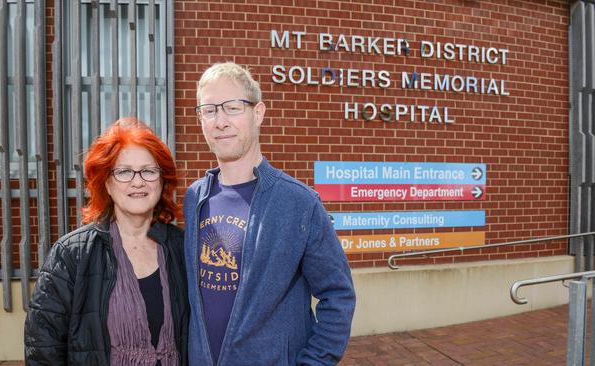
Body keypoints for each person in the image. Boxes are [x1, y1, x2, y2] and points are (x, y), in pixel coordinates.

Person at [183, 62, 356, 365]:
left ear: (258, 113)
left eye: (232, 108)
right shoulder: (195, 197)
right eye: (209, 110)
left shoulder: (298, 202)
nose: (219, 121)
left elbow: (338, 295)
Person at [24, 118, 188, 366]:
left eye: (149, 170)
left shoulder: (182, 248)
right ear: (107, 184)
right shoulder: (71, 255)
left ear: (162, 180)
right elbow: (43, 349)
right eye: (123, 171)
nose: (137, 181)